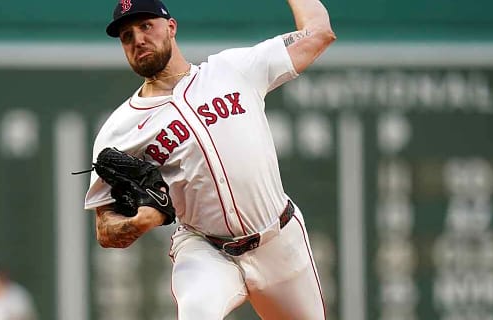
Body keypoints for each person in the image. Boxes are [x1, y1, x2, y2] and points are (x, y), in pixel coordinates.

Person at [83, 0, 335, 318]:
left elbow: (319, 33)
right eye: (126, 36)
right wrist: (137, 222)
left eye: (146, 26)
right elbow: (105, 228)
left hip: (279, 240)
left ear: (171, 27)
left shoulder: (233, 69)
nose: (138, 40)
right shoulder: (119, 131)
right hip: (205, 249)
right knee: (197, 311)